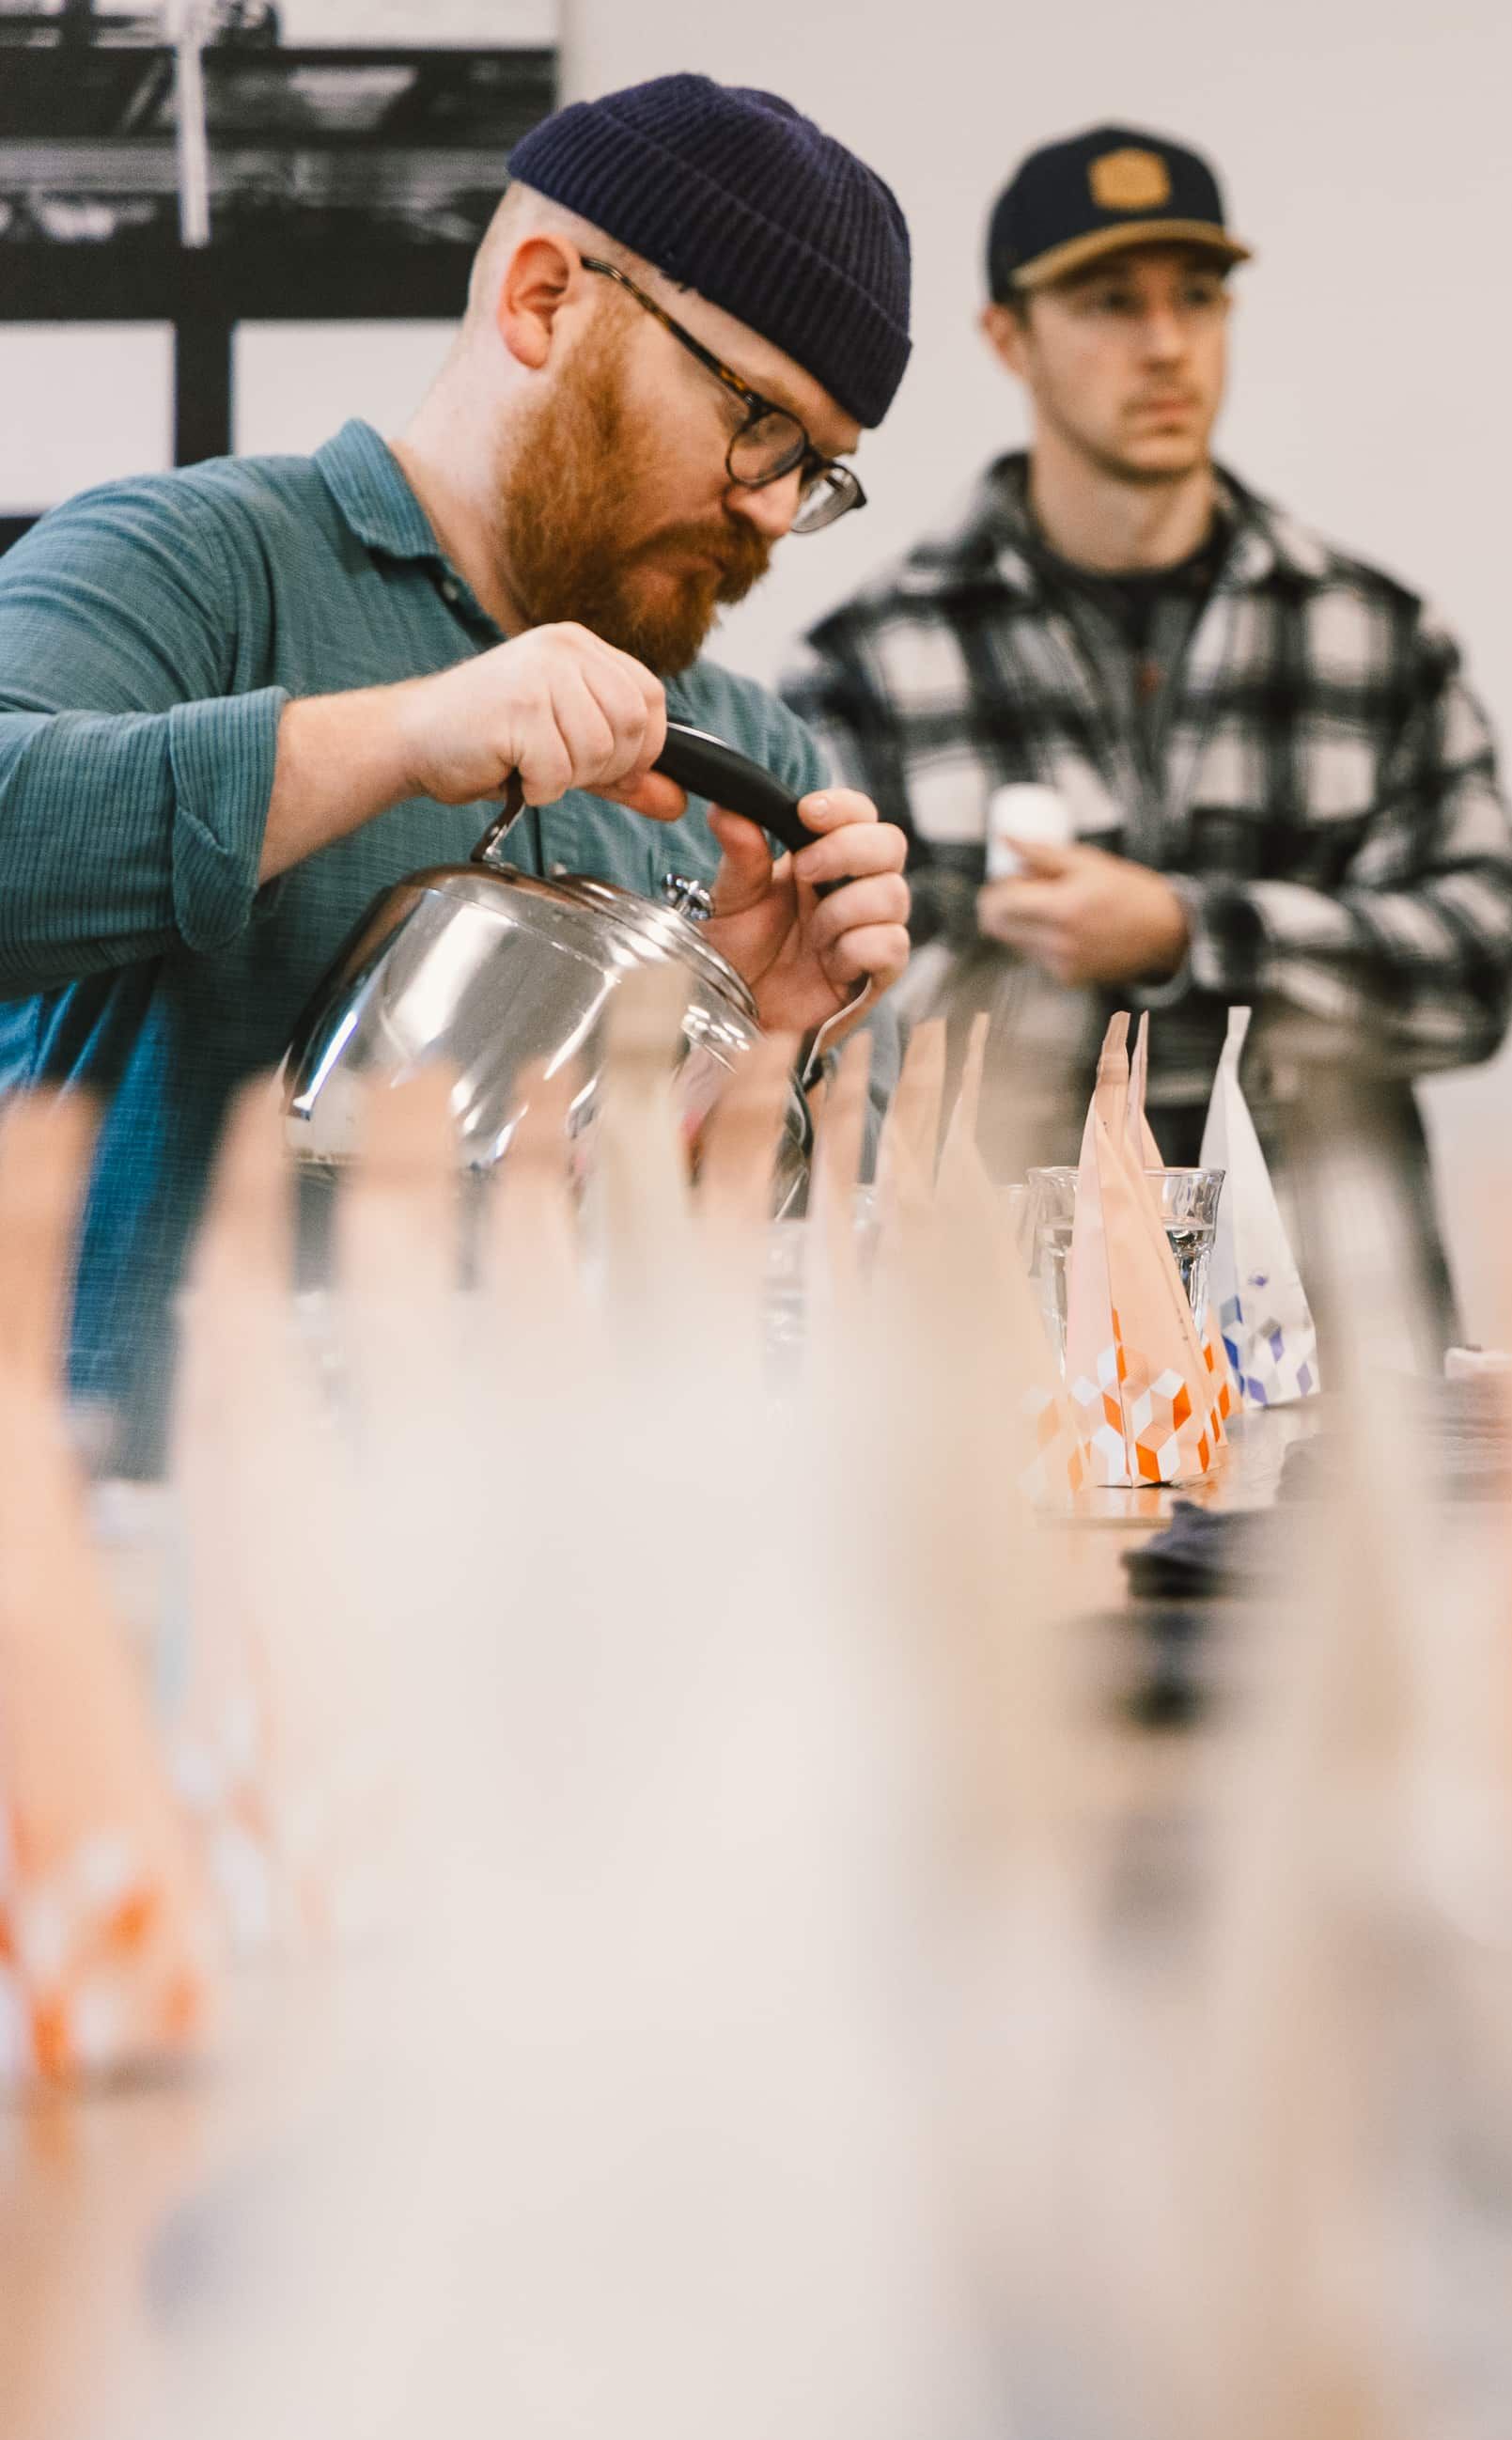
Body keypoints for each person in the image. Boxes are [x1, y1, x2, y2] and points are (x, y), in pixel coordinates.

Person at [0, 73, 916, 1471]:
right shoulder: (190, 566)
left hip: (543, 1594)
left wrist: (768, 1052)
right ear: (544, 297)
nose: (778, 512)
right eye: (760, 424)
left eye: (823, 474)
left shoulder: (752, 769)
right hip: (152, 1584)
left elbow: (791, 1320)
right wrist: (397, 734)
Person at [787, 124, 1512, 1310]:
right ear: (1008, 336)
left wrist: (1187, 934)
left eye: (1199, 297)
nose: (1168, 344)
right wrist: (1029, 968)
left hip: (1335, 1318)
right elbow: (831, 1029)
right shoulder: (870, 663)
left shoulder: (1375, 634)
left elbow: (1479, 966)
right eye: (1107, 302)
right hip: (1016, 1331)